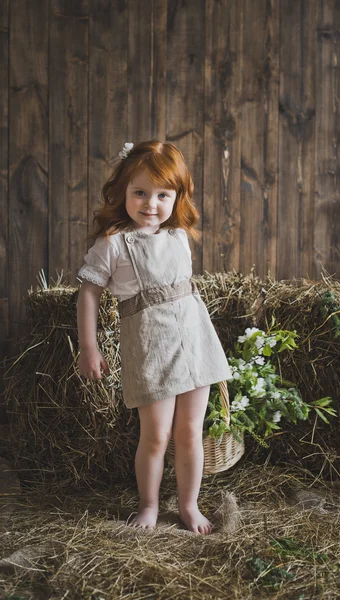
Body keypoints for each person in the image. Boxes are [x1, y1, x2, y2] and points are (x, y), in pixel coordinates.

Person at [76, 140, 233, 535]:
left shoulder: (178, 234)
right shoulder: (112, 243)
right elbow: (89, 293)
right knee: (157, 434)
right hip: (151, 346)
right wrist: (89, 346)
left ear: (177, 196)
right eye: (140, 193)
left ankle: (188, 506)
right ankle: (148, 505)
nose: (151, 204)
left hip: (193, 341)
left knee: (190, 431)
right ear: (122, 193)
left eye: (163, 194)